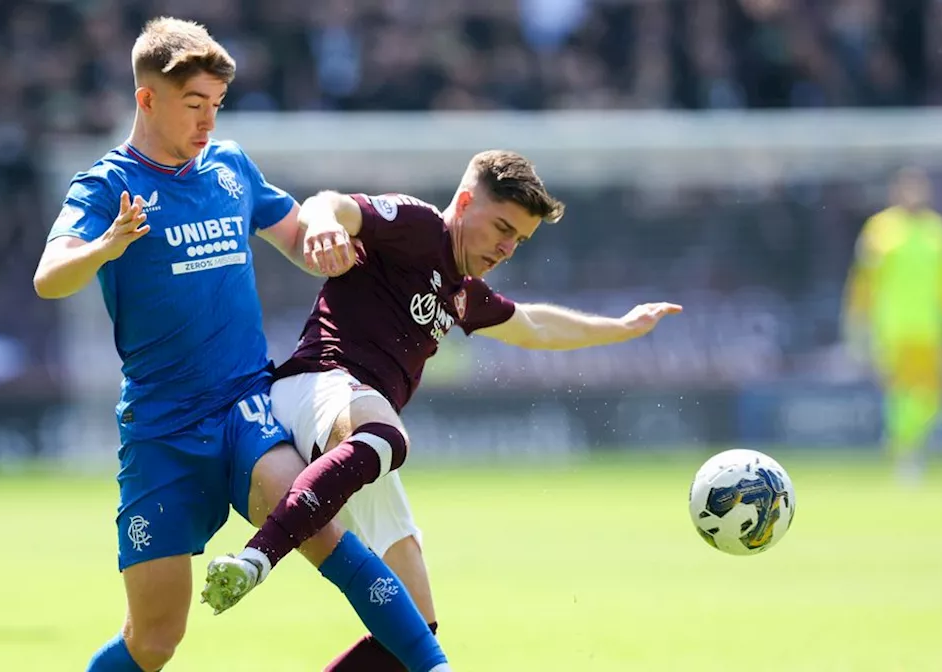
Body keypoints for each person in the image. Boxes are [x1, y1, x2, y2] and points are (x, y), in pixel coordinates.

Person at [32, 17, 451, 672]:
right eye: (194, 104)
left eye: (216, 106)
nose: (207, 121)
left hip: (243, 409)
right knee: (155, 641)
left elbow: (296, 235)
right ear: (147, 99)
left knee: (319, 526)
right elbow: (49, 278)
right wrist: (106, 245)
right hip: (162, 433)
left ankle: (434, 665)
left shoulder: (229, 168)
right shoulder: (106, 185)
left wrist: (322, 235)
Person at [202, 151, 682, 668]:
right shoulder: (418, 225)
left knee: (411, 632)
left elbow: (536, 327)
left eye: (518, 240)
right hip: (314, 386)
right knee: (390, 437)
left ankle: (267, 558)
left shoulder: (462, 293)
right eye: (501, 227)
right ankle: (256, 558)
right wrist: (321, 223)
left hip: (361, 431)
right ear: (467, 201)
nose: (506, 248)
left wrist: (622, 327)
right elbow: (335, 204)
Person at [843, 166, 942, 483]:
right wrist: (856, 322)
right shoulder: (880, 231)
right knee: (900, 393)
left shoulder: (938, 232)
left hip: (930, 329)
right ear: (896, 191)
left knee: (935, 397)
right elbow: (863, 281)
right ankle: (906, 454)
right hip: (893, 328)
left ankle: (902, 440)